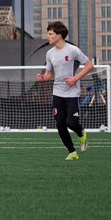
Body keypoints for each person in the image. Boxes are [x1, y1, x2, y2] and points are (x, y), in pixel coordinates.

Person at [35, 21, 94, 161]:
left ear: (59, 35)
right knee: (60, 124)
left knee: (71, 123)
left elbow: (89, 65)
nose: (48, 36)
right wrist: (43, 78)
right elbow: (49, 74)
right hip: (57, 93)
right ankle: (72, 152)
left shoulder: (73, 50)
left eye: (50, 34)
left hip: (72, 93)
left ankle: (82, 134)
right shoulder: (49, 53)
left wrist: (75, 79)